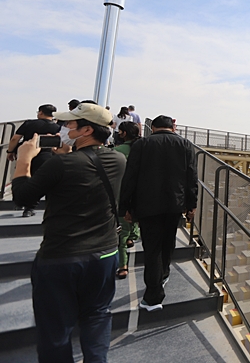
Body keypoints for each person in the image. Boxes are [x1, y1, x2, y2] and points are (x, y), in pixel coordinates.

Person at [12, 103, 125, 363]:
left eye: (69, 125)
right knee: (97, 316)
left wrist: (25, 159)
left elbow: (22, 197)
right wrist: (67, 152)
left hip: (61, 256)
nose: (63, 129)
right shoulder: (119, 160)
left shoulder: (59, 165)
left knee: (55, 328)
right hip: (105, 254)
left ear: (86, 129)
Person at [119, 115, 197, 311]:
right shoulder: (186, 145)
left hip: (147, 205)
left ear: (152, 127)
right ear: (173, 128)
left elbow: (130, 177)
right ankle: (163, 274)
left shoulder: (142, 144)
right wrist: (191, 205)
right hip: (174, 204)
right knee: (167, 242)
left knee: (152, 248)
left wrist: (125, 207)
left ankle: (153, 296)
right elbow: (191, 178)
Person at [6, 104, 62, 217]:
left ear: (41, 112)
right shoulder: (57, 127)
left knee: (21, 176)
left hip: (26, 153)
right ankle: (29, 208)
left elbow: (15, 138)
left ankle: (18, 202)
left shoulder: (29, 123)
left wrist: (10, 151)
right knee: (37, 182)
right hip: (46, 156)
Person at [113, 121, 141, 280]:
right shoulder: (144, 150)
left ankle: (122, 265)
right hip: (140, 193)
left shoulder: (117, 151)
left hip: (122, 192)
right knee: (134, 218)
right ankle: (133, 236)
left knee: (121, 231)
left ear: (123, 133)